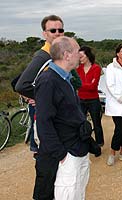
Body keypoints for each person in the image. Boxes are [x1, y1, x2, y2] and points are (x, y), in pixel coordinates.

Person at [14, 15, 81, 157]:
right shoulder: (43, 56)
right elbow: (21, 85)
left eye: (60, 30)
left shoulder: (59, 54)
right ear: (44, 34)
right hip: (46, 111)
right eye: (53, 30)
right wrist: (43, 97)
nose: (57, 33)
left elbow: (75, 81)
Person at [34, 36, 90, 200]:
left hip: (76, 147)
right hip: (65, 154)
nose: (80, 55)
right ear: (66, 55)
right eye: (77, 51)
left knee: (77, 193)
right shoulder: (48, 81)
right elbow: (43, 123)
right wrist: (62, 155)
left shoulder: (65, 78)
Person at [77, 46, 104, 148]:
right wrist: (85, 85)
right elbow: (76, 84)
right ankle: (84, 140)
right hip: (81, 99)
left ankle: (99, 142)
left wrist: (81, 85)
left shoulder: (96, 68)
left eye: (81, 56)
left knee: (96, 122)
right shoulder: (78, 69)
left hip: (93, 99)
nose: (80, 59)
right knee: (81, 122)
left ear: (87, 56)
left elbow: (93, 86)